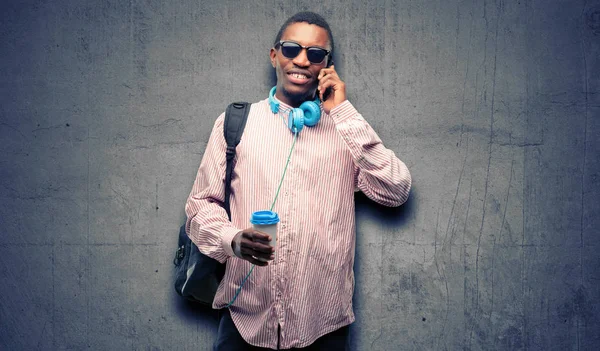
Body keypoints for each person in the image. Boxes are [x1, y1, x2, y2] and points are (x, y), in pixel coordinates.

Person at [185, 11, 411, 350]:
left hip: (323, 325)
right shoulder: (235, 122)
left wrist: (344, 112)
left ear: (326, 65)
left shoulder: (345, 130)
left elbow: (396, 190)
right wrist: (233, 239)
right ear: (274, 55)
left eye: (316, 54)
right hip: (244, 321)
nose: (303, 60)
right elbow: (200, 206)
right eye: (292, 49)